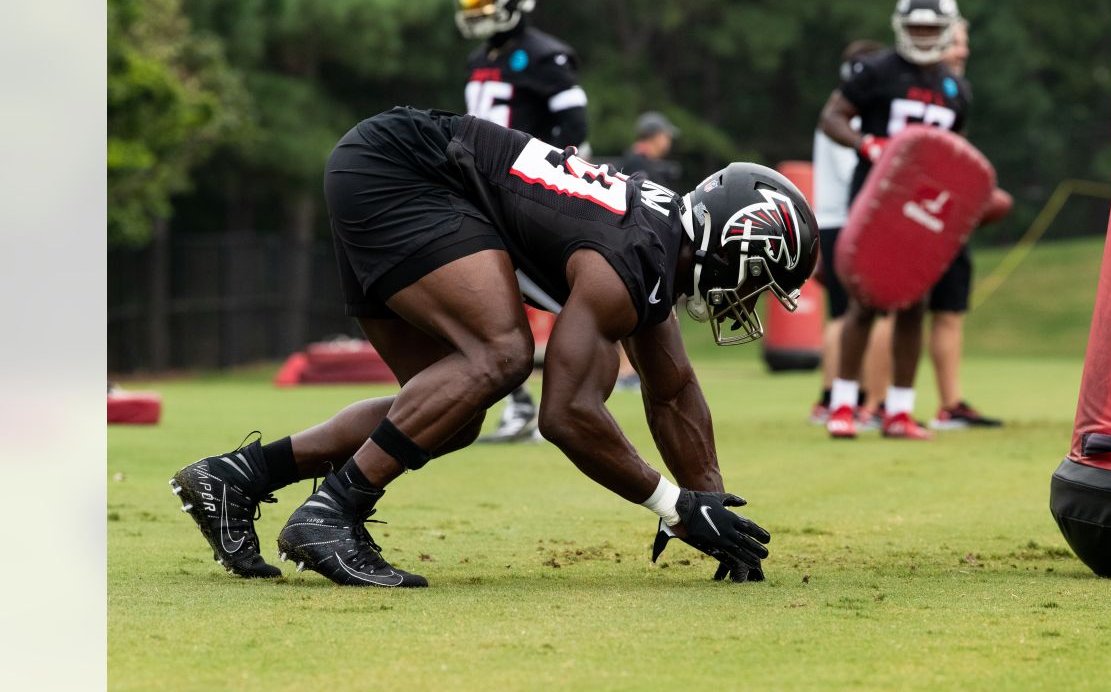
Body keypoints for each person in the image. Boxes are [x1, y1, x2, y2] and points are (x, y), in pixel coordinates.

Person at [170, 106, 817, 587]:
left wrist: (715, 517)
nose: (749, 297)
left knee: (445, 414)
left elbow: (672, 392)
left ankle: (238, 477)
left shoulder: (655, 245)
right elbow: (565, 415)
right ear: (735, 243)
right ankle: (333, 513)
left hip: (389, 167)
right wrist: (672, 504)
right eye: (758, 278)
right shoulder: (635, 254)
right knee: (502, 357)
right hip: (403, 171)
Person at [818, 0, 969, 440]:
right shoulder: (877, 69)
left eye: (932, 28)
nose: (923, 36)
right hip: (874, 204)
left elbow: (954, 157)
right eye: (916, 28)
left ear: (946, 29)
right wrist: (866, 142)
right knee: (864, 303)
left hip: (923, 213)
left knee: (915, 308)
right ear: (902, 28)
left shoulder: (955, 89)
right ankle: (844, 405)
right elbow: (832, 117)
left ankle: (899, 411)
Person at [456, 0, 590, 442]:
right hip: (483, 191)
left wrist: (550, 183)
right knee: (493, 298)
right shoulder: (480, 58)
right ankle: (521, 402)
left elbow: (574, 128)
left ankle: (562, 401)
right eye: (469, 0)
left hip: (528, 193)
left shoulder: (541, 53)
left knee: (546, 297)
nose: (475, 8)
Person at [924, 19, 1003, 430]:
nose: (962, 51)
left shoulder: (959, 93)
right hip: (905, 215)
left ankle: (950, 404)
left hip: (947, 217)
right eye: (956, 42)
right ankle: (873, 404)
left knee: (950, 308)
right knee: (885, 313)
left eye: (964, 42)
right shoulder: (901, 83)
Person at [809, 39, 885, 426]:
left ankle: (833, 398)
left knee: (841, 314)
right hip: (846, 219)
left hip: (831, 221)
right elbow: (851, 171)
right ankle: (859, 400)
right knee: (853, 314)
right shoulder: (850, 120)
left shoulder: (838, 112)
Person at [619, 111, 682, 190]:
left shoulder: (638, 160)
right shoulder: (637, 163)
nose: (669, 140)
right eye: (666, 136)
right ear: (656, 136)